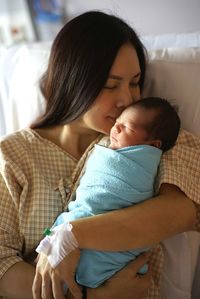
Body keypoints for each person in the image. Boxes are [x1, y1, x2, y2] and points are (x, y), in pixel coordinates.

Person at [0, 10, 198, 299]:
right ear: (73, 80)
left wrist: (70, 235)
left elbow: (182, 213)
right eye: (110, 84)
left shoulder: (152, 137)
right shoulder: (13, 156)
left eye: (135, 82)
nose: (127, 99)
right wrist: (91, 298)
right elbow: (2, 263)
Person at [36, 97, 180, 289]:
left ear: (153, 146)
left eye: (126, 127)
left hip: (108, 237)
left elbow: (99, 202)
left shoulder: (144, 165)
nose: (116, 128)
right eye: (117, 123)